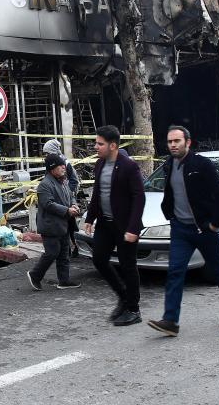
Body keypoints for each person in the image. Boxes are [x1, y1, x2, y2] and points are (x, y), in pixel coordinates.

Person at [147, 126, 219, 337]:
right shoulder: (169, 165)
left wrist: (215, 224)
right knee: (175, 272)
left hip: (204, 229)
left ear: (187, 143)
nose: (173, 145)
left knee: (218, 270)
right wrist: (170, 215)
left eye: (177, 141)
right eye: (170, 141)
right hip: (181, 228)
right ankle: (170, 321)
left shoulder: (202, 165)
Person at [83, 125, 145, 326]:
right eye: (96, 143)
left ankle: (134, 309)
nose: (95, 147)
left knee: (128, 266)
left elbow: (139, 198)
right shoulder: (100, 165)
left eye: (99, 144)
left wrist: (133, 229)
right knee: (99, 259)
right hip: (105, 224)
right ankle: (123, 297)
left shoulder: (129, 166)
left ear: (112, 145)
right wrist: (89, 218)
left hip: (125, 226)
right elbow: (97, 194)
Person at [27, 153, 82, 291]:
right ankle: (35, 275)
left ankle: (64, 281)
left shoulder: (63, 181)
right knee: (52, 252)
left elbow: (71, 196)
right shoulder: (45, 185)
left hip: (63, 225)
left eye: (63, 165)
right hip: (50, 226)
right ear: (52, 168)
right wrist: (67, 210)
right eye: (60, 165)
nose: (64, 167)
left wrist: (74, 205)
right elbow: (48, 204)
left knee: (64, 253)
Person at [42, 139, 80, 257]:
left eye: (47, 153)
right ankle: (67, 249)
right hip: (58, 197)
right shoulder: (51, 164)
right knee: (65, 222)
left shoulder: (65, 163)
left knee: (69, 223)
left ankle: (74, 247)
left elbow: (74, 180)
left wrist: (67, 192)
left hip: (66, 198)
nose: (46, 155)